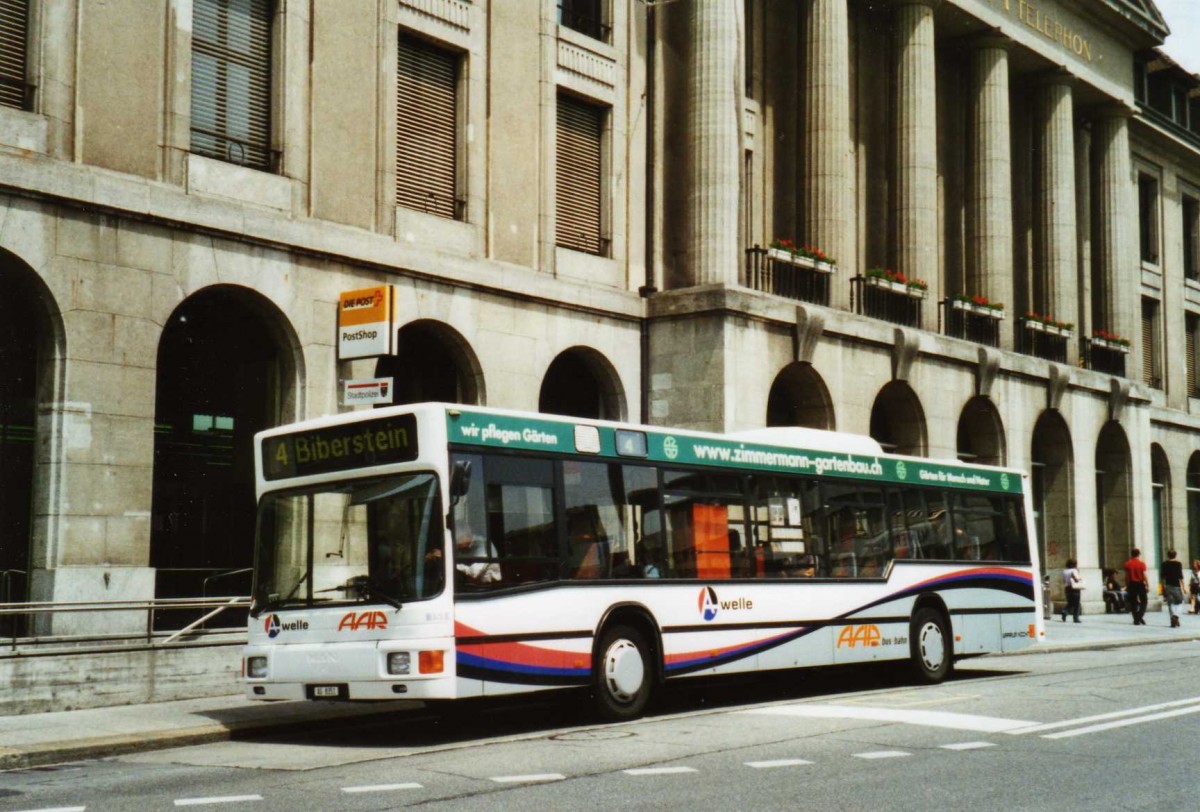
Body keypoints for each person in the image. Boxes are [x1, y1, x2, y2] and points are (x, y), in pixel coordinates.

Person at [1123, 548, 1149, 626]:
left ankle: (1136, 618)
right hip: (1140, 583)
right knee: (1144, 601)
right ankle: (1139, 616)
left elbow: (1126, 576)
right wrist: (1147, 584)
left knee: (1133, 602)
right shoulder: (1142, 564)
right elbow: (1144, 575)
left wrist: (1127, 584)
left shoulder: (1127, 564)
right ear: (1139, 555)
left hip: (1132, 583)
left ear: (1131, 554)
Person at [1161, 549, 1186, 628]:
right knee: (1180, 602)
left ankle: (1172, 618)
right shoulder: (1178, 564)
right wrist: (1184, 587)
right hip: (1176, 585)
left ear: (1168, 555)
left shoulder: (1164, 564)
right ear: (1175, 555)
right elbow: (1180, 576)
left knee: (1170, 603)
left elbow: (1163, 577)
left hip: (1168, 585)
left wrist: (1163, 587)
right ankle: (1176, 615)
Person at [1061, 558, 1083, 623]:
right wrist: (1080, 579)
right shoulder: (1074, 570)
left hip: (1067, 588)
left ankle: (1065, 611)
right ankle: (1076, 618)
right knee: (1076, 604)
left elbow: (1064, 580)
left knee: (1070, 602)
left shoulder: (1065, 571)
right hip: (1074, 588)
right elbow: (1077, 579)